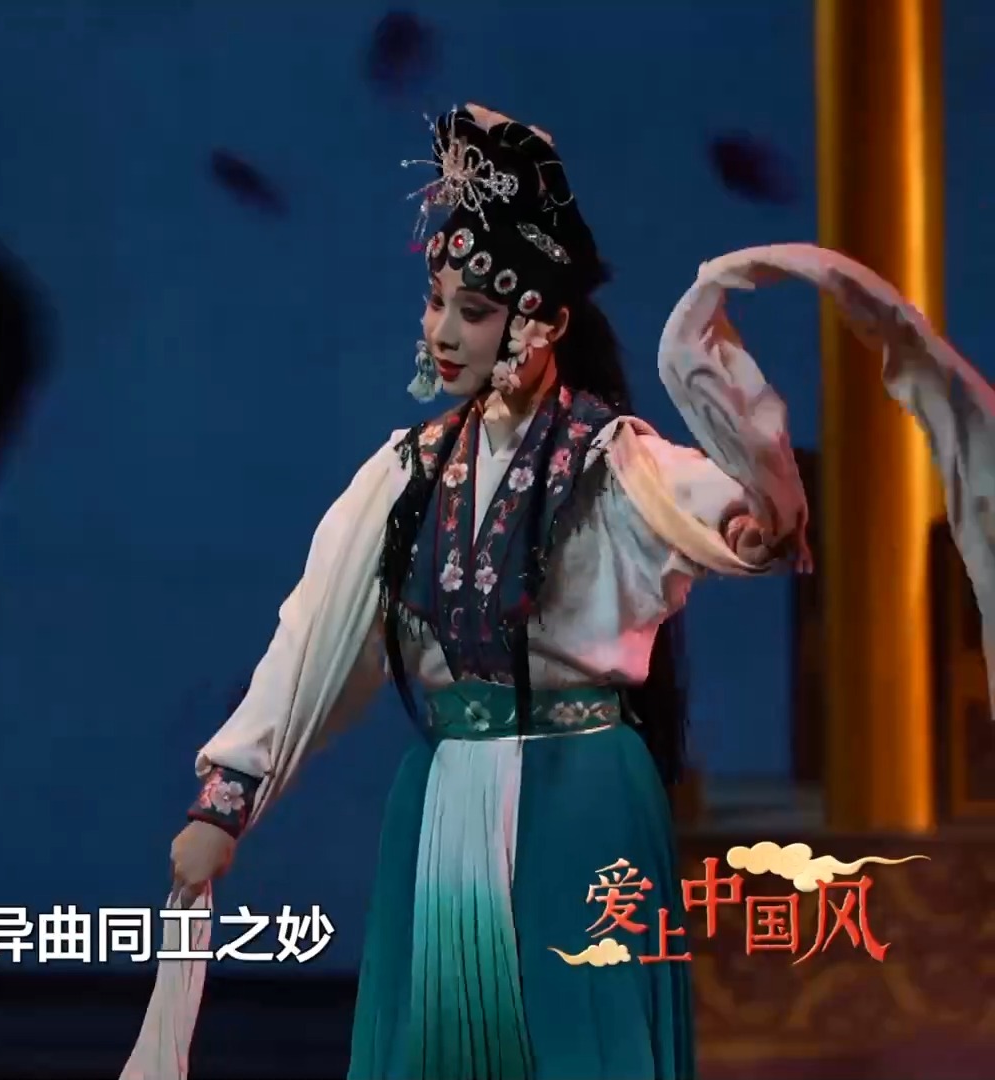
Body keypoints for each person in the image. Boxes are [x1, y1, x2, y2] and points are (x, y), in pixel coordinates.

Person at [124, 104, 823, 1080]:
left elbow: (744, 516)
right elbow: (312, 640)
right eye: (436, 302)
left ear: (545, 322)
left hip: (582, 798)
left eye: (475, 311)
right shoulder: (406, 473)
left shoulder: (617, 465)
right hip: (445, 796)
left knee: (582, 1049)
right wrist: (226, 803)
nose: (444, 332)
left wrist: (755, 521)